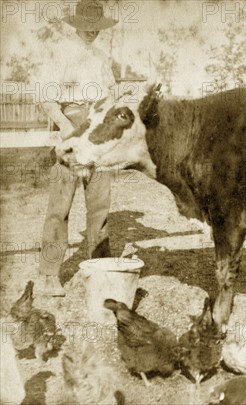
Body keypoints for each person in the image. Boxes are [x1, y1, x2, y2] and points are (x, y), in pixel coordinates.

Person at [37, 0, 118, 296]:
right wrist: (65, 126)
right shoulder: (61, 52)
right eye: (86, 27)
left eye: (96, 27)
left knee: (100, 205)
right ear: (77, 25)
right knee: (60, 207)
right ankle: (48, 275)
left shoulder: (101, 57)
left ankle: (101, 271)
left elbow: (109, 97)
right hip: (70, 126)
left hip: (96, 130)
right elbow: (46, 97)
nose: (92, 32)